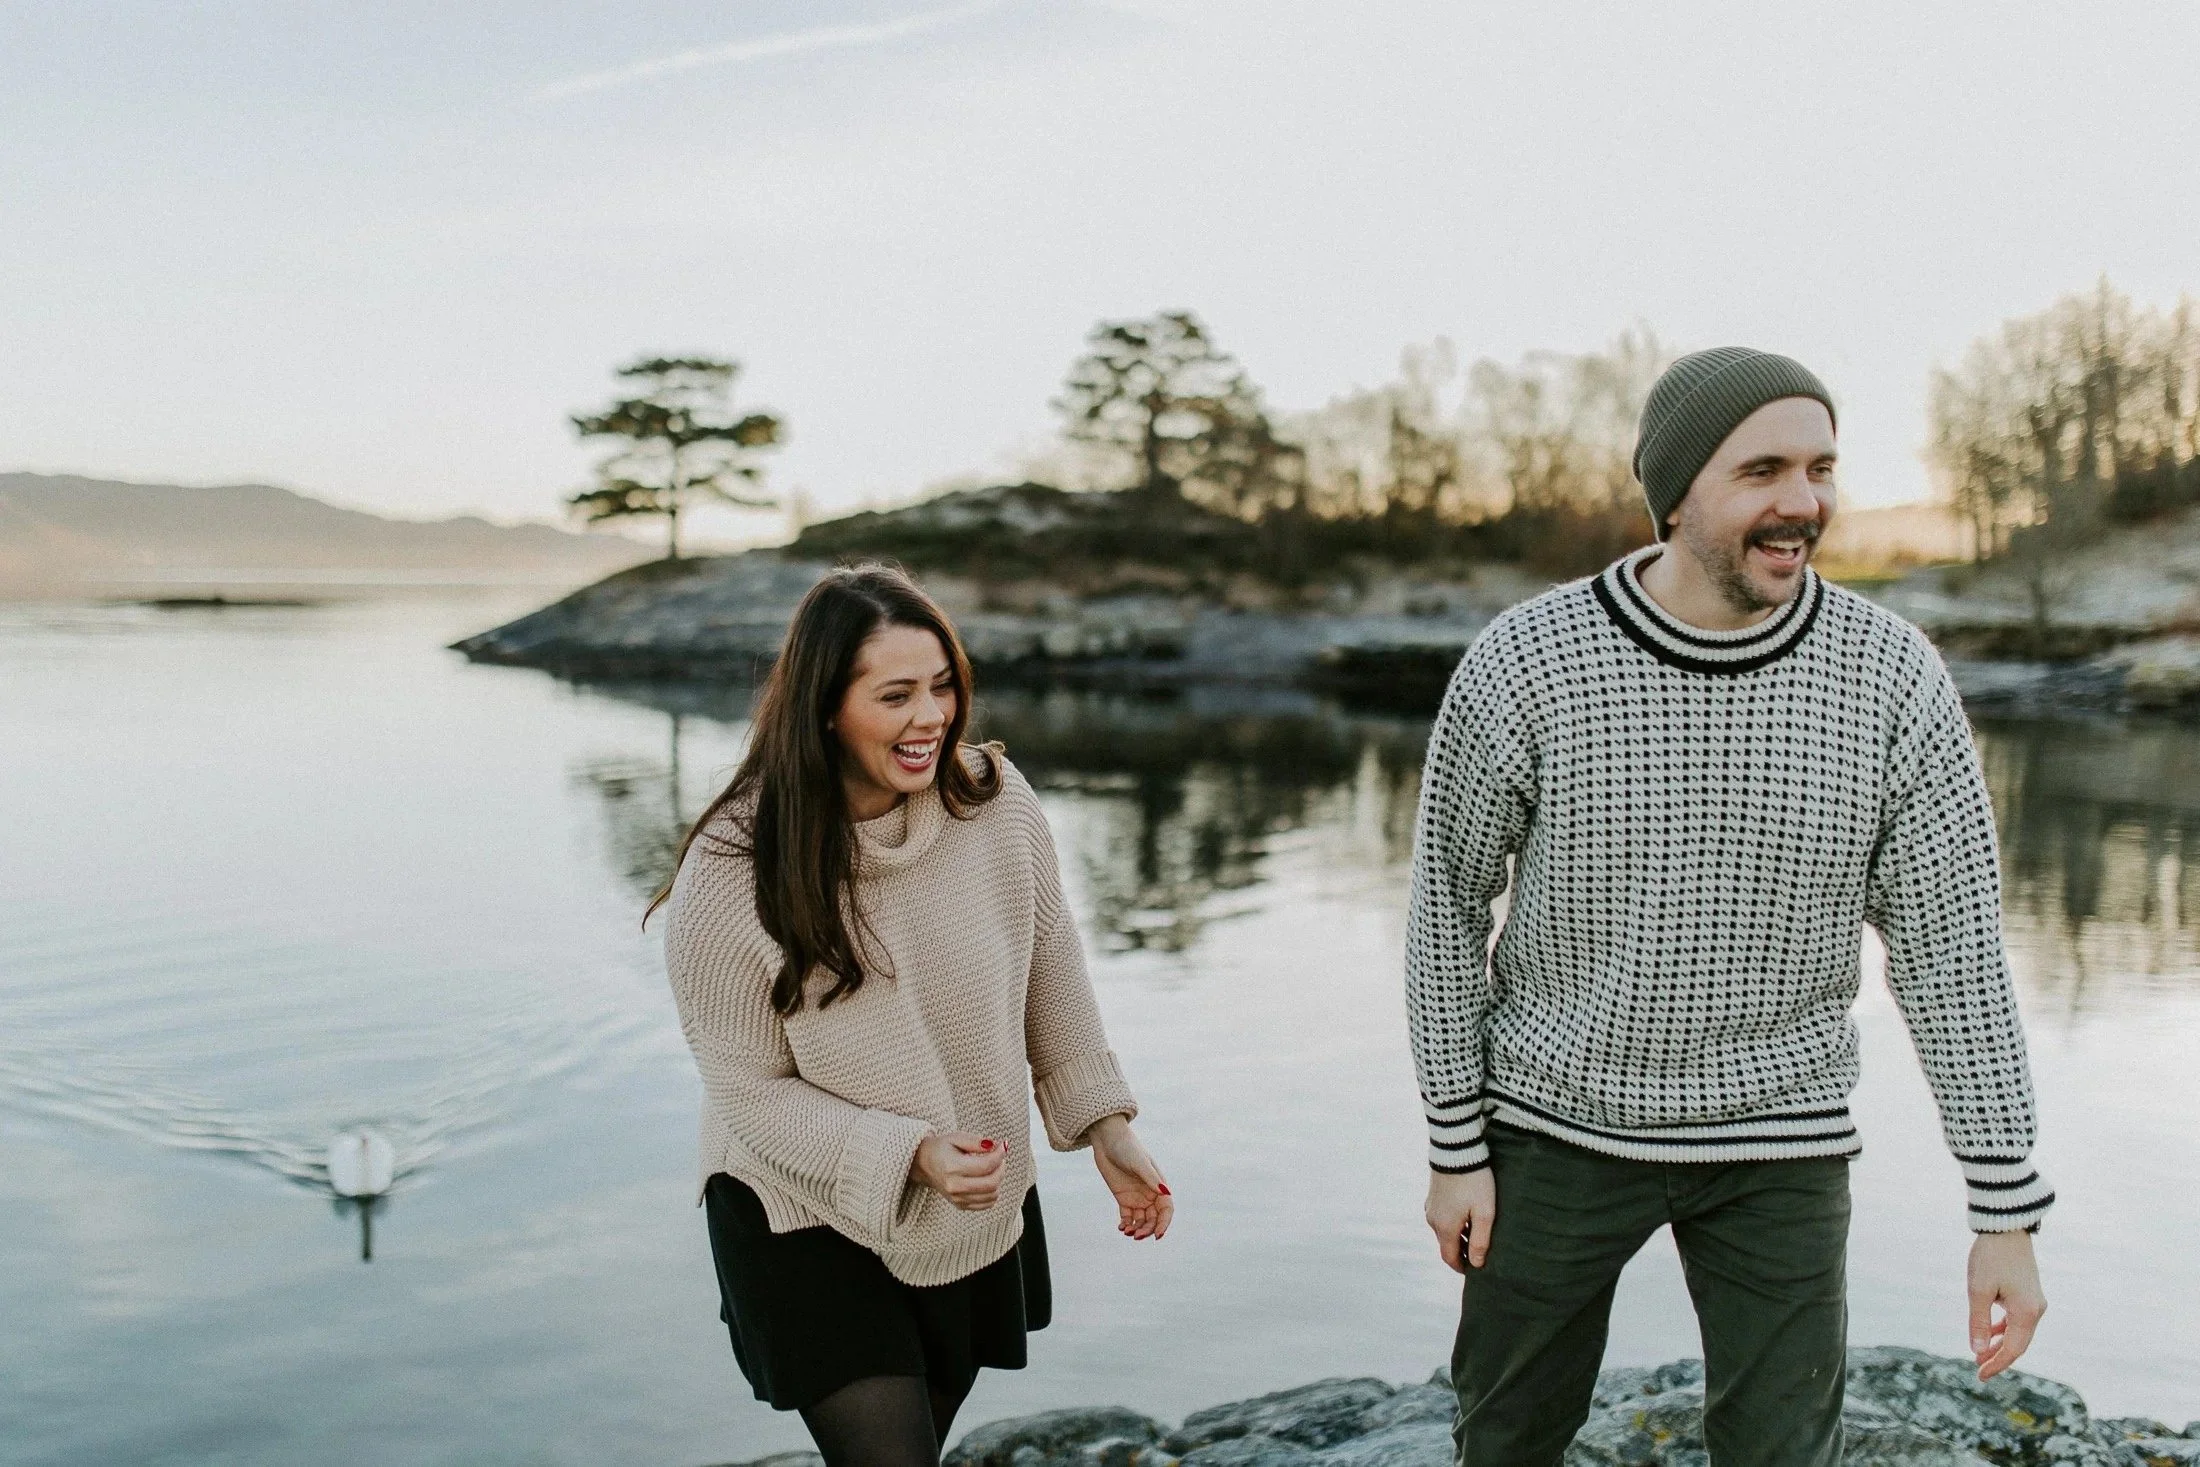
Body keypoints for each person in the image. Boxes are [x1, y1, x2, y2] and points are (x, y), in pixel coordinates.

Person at [1405, 349, 2053, 1467]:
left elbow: (1953, 955)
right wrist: (1455, 1143)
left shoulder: (1891, 676)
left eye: (1820, 468)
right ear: (1677, 493)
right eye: (1763, 470)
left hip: (1780, 1142)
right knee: (1505, 1440)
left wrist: (2004, 1214)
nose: (1802, 503)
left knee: (1782, 1453)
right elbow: (1446, 918)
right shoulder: (1527, 659)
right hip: (1556, 1128)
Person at [654, 563, 1173, 1467]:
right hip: (799, 1207)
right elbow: (748, 1093)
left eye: (942, 685)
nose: (932, 715)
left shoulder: (994, 802)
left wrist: (1105, 1125)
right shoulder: (732, 868)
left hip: (963, 1188)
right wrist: (911, 1154)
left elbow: (1050, 967)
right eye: (896, 694)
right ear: (825, 707)